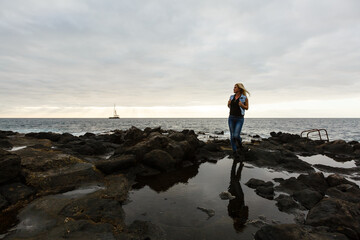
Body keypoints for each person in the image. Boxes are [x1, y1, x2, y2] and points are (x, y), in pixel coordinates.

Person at [227, 83, 250, 156]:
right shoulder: (231, 97)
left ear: (239, 89)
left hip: (239, 118)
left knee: (236, 135)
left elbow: (247, 108)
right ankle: (234, 152)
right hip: (231, 118)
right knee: (232, 136)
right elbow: (230, 106)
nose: (233, 89)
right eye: (234, 87)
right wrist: (228, 104)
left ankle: (240, 146)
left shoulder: (244, 97)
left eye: (235, 87)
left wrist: (242, 105)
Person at [227, 158, 248, 232]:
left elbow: (229, 204)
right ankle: (237, 162)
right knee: (235, 180)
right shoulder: (243, 218)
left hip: (233, 194)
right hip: (239, 196)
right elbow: (246, 207)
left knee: (235, 180)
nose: (234, 221)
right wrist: (239, 214)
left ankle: (239, 163)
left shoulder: (231, 214)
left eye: (234, 223)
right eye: (235, 223)